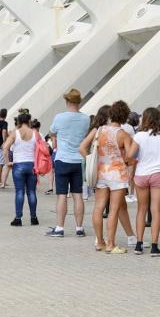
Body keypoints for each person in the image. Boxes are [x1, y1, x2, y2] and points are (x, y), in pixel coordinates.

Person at [81, 100, 131, 254]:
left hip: (101, 172)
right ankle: (111, 244)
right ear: (125, 117)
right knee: (114, 210)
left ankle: (99, 242)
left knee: (98, 207)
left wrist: (91, 160)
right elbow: (129, 157)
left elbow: (82, 147)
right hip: (117, 174)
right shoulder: (123, 134)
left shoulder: (99, 130)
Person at [46, 88, 90, 238]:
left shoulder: (60, 117)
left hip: (63, 159)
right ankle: (79, 227)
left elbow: (52, 132)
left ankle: (59, 228)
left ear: (67, 101)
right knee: (78, 194)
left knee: (62, 195)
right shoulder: (86, 119)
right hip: (78, 160)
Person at [128, 107, 160, 255]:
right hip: (158, 175)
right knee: (156, 210)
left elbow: (130, 155)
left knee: (141, 209)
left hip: (141, 175)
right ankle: (154, 246)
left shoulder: (139, 136)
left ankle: (139, 244)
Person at [2, 113, 40, 226]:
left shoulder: (15, 133)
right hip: (32, 165)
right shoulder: (35, 133)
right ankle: (34, 218)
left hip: (18, 165)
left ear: (19, 121)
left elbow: (5, 147)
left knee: (19, 191)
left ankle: (18, 218)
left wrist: (7, 161)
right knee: (31, 192)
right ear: (29, 121)